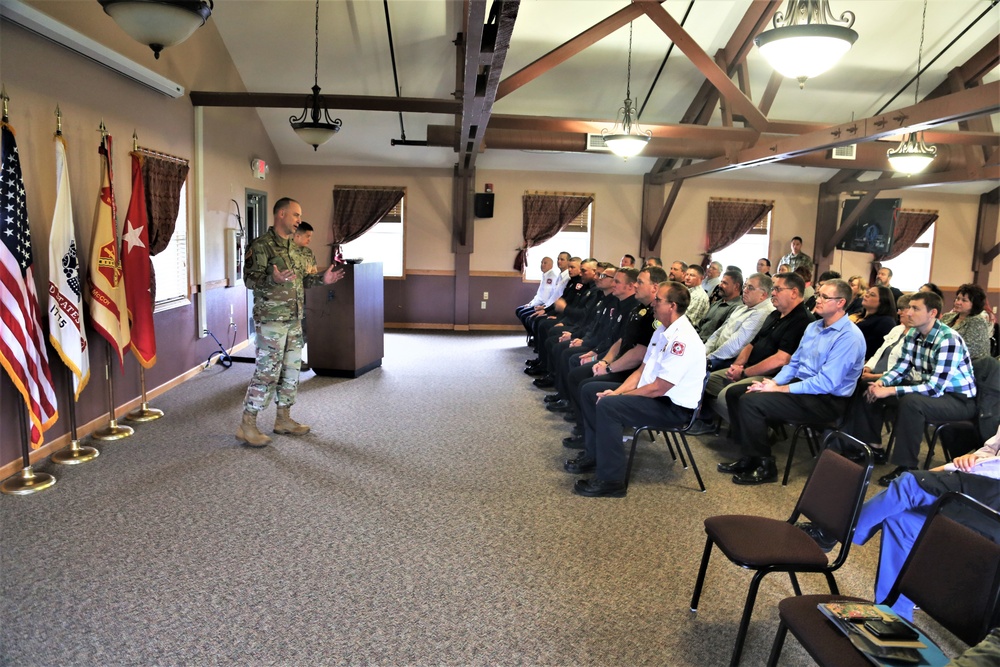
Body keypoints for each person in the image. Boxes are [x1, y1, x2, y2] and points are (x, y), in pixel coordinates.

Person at [566, 280, 706, 498]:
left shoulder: (683, 340)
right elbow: (642, 370)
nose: (653, 304)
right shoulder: (662, 330)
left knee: (609, 406)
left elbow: (658, 388)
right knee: (589, 390)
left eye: (658, 300)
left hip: (673, 407)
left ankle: (611, 481)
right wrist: (619, 391)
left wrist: (618, 396)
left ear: (672, 306)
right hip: (655, 395)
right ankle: (595, 455)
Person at [720, 278, 865, 485]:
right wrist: (771, 384)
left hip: (826, 400)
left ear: (840, 303)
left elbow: (826, 383)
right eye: (818, 295)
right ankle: (749, 456)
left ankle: (764, 464)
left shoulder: (849, 337)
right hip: (802, 388)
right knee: (736, 393)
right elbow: (793, 364)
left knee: (751, 402)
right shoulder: (814, 327)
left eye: (825, 296)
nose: (818, 300)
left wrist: (780, 389)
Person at [849, 423, 1000, 621]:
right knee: (901, 521)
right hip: (983, 485)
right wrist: (972, 458)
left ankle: (839, 531)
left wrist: (948, 468)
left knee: (909, 484)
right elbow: (992, 449)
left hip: (993, 504)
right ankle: (894, 616)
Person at [237, 197, 345, 447]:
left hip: (295, 319)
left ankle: (283, 419)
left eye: (300, 216)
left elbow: (305, 281)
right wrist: (271, 280)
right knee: (267, 372)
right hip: (271, 319)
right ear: (281, 214)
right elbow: (250, 280)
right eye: (296, 215)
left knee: (291, 370)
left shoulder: (300, 250)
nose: (299, 220)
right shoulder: (261, 245)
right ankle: (248, 423)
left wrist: (322, 280)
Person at [855, 291, 977, 486]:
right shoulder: (913, 332)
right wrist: (882, 382)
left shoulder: (948, 339)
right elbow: (901, 368)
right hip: (933, 392)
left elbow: (935, 388)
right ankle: (874, 447)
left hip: (958, 400)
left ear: (933, 313)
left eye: (915, 308)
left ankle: (907, 467)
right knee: (867, 386)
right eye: (908, 307)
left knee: (911, 403)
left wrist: (890, 390)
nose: (908, 312)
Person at [691, 272, 813, 438]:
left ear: (793, 292)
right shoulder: (775, 314)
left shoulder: (802, 320)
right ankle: (741, 427)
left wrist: (745, 373)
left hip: (773, 375)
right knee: (707, 381)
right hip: (749, 367)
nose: (773, 293)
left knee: (726, 395)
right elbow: (751, 344)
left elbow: (781, 359)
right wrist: (738, 366)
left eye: (777, 289)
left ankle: (760, 432)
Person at [703, 273, 775, 371]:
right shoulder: (741, 308)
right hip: (715, 354)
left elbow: (736, 344)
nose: (744, 290)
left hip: (727, 360)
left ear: (763, 294)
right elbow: (719, 332)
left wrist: (709, 358)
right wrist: (704, 351)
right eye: (745, 286)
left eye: (750, 288)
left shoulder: (762, 313)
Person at [291, 221, 319, 372]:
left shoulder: (308, 253)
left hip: (304, 299)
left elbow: (312, 276)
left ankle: (296, 358)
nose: (309, 239)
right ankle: (287, 362)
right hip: (285, 301)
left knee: (303, 330)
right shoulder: (285, 251)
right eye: (307, 236)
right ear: (297, 235)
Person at [942, 283, 992, 359]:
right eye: (957, 298)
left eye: (964, 300)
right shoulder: (947, 316)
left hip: (968, 364)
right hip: (944, 355)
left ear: (974, 304)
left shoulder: (977, 321)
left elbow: (970, 349)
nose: (958, 302)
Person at [515, 256, 561, 332]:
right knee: (519, 310)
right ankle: (531, 334)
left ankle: (533, 335)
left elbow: (544, 297)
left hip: (544, 305)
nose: (542, 264)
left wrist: (533, 305)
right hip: (539, 303)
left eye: (545, 263)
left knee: (524, 315)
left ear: (551, 266)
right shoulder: (545, 275)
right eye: (541, 262)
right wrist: (530, 303)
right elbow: (539, 294)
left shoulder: (551, 277)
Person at [853, 285, 898, 359]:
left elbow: (880, 349)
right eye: (867, 292)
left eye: (872, 295)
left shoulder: (886, 322)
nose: (866, 295)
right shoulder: (858, 315)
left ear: (883, 301)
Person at [697, 270, 742, 341]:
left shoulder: (737, 308)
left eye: (725, 283)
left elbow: (721, 336)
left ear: (736, 286)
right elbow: (701, 323)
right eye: (721, 281)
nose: (720, 285)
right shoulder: (717, 303)